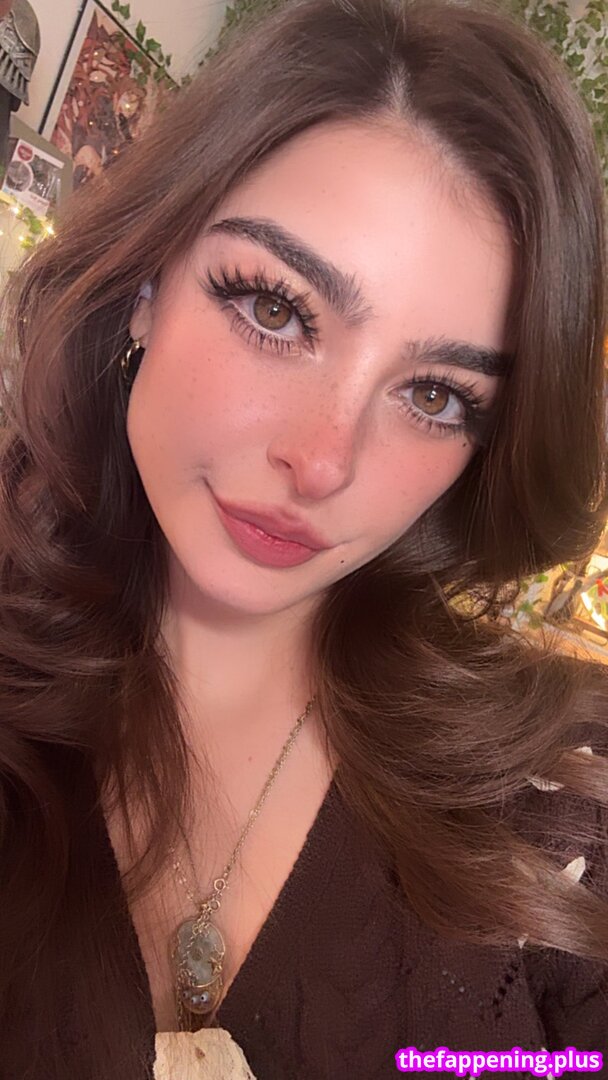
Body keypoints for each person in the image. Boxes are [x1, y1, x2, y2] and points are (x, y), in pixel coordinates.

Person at [0, 0, 607, 1076]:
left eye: (434, 393)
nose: (322, 461)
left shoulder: (563, 802)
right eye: (275, 310)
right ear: (147, 284)